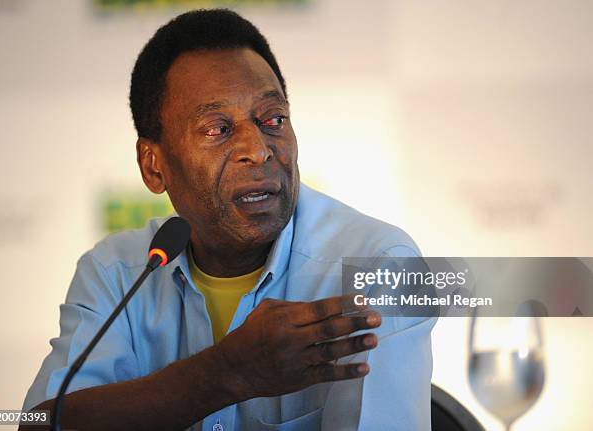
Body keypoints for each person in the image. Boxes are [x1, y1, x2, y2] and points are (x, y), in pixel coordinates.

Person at [22, 9, 435, 431]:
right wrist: (225, 374)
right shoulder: (117, 271)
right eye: (217, 129)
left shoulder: (381, 267)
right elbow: (35, 425)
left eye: (273, 120)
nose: (257, 149)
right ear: (153, 166)